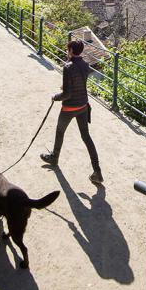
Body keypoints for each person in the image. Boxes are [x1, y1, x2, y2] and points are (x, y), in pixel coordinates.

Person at [41, 39, 103, 185]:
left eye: (68, 49)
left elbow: (67, 95)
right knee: (86, 137)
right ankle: (97, 171)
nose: (67, 52)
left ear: (71, 51)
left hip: (70, 107)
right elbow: (80, 83)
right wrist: (66, 85)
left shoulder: (68, 67)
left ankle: (54, 158)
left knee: (59, 131)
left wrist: (55, 96)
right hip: (83, 106)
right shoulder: (85, 65)